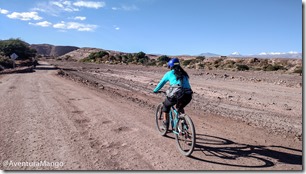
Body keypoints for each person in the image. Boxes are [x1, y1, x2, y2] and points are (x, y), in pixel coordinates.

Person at [153, 58, 193, 127]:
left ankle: (165, 124)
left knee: (165, 105)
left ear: (170, 66)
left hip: (177, 94)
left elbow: (161, 83)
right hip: (188, 95)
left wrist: (155, 90)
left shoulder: (169, 73)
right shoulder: (184, 74)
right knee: (180, 108)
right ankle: (183, 123)